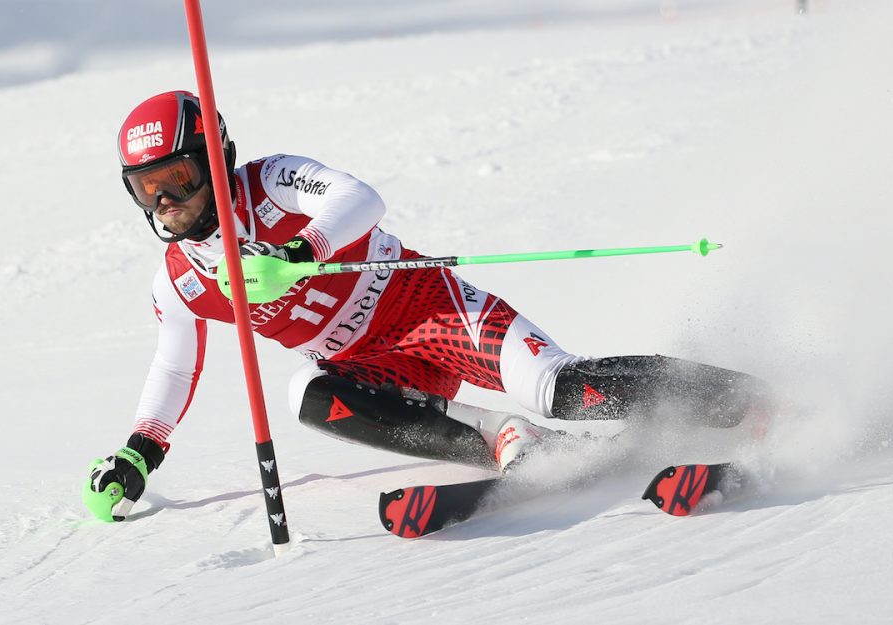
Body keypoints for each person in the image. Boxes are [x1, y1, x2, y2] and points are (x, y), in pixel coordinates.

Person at [84, 90, 770, 522]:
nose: (165, 203)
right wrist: (141, 452)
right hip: (370, 365)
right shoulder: (179, 278)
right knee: (307, 393)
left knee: (564, 387)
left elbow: (360, 198)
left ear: (214, 157)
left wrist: (300, 253)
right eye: (147, 190)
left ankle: (751, 401)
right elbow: (174, 367)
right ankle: (503, 437)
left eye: (176, 177)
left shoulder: (270, 182)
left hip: (425, 307)